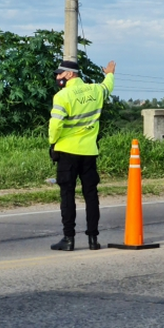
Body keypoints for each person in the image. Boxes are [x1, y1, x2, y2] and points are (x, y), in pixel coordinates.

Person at [48, 59, 115, 251]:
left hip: (67, 152)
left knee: (67, 195)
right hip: (89, 152)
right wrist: (110, 73)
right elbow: (107, 87)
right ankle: (93, 239)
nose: (57, 77)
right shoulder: (95, 90)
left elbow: (55, 125)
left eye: (59, 74)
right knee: (91, 195)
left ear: (69, 74)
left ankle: (68, 239)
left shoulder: (62, 96)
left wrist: (52, 143)